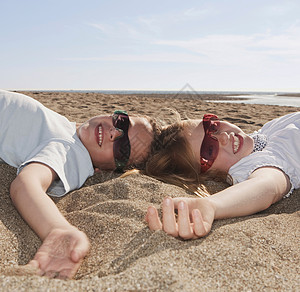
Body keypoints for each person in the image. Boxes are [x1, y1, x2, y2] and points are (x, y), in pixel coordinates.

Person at [0, 89, 155, 279]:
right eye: (122, 122)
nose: (114, 132)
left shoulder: (72, 153)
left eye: (123, 149)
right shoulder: (70, 132)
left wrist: (57, 229)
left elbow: (26, 183)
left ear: (106, 170)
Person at [145, 112, 299, 240]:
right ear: (210, 175)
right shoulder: (250, 164)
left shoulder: (263, 132)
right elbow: (268, 184)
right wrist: (213, 204)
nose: (224, 137)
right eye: (209, 150)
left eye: (213, 127)